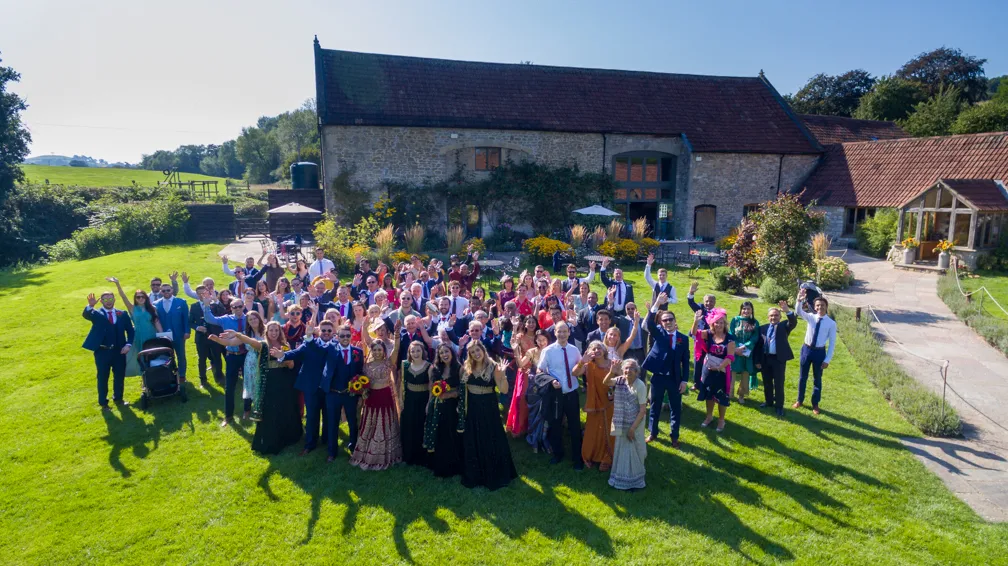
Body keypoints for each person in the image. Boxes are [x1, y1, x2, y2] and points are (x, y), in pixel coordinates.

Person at [273, 320, 337, 457]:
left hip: (328, 388)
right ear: (318, 331)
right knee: (312, 416)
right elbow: (296, 353)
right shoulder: (308, 343)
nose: (326, 333)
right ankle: (310, 444)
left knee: (328, 416)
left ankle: (326, 441)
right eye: (323, 330)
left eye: (329, 331)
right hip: (311, 387)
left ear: (333, 332)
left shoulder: (336, 345)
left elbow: (325, 352)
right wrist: (282, 355)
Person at [459, 341, 517, 489]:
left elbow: (504, 390)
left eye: (477, 350)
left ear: (483, 350)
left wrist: (502, 375)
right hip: (472, 407)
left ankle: (494, 473)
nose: (476, 354)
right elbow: (462, 389)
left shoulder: (493, 367)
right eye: (472, 352)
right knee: (474, 437)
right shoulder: (466, 367)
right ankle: (475, 473)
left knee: (490, 437)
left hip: (488, 407)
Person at [349, 330, 403, 470]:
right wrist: (363, 391)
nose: (378, 352)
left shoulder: (388, 362)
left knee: (386, 424)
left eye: (380, 350)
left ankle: (387, 455)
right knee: (370, 424)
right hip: (371, 398)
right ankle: (368, 453)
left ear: (384, 351)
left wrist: (397, 335)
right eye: (375, 350)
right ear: (371, 351)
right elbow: (363, 382)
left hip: (385, 397)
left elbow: (396, 348)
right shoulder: (366, 366)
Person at [643, 294, 691, 447]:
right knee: (655, 406)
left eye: (671, 319)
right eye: (665, 320)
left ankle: (674, 436)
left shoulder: (683, 339)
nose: (668, 322)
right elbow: (649, 323)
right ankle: (653, 432)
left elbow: (685, 361)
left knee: (675, 408)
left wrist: (684, 381)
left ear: (675, 321)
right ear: (661, 323)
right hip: (658, 377)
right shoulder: (658, 333)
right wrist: (656, 303)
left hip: (675, 378)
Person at [537, 322, 584, 469]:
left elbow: (580, 368)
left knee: (575, 426)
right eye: (559, 331)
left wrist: (583, 368)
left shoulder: (574, 350)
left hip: (571, 394)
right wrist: (551, 381)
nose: (562, 334)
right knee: (555, 425)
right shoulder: (548, 351)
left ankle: (577, 457)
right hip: (556, 394)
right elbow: (539, 371)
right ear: (555, 333)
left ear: (569, 333)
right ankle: (558, 454)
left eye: (565, 331)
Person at [82, 291, 135, 410]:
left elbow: (131, 331)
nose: (108, 301)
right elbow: (86, 315)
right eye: (105, 299)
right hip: (102, 352)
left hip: (120, 351)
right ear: (101, 301)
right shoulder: (96, 314)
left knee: (119, 376)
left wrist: (128, 345)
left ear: (114, 299)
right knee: (102, 377)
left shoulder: (122, 314)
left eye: (111, 299)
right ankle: (103, 403)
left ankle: (118, 399)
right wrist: (90, 306)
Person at [202, 297, 250, 427]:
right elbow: (210, 319)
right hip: (232, 356)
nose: (237, 309)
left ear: (243, 306)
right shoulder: (225, 319)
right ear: (231, 308)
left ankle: (247, 410)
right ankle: (228, 416)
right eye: (234, 307)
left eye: (240, 306)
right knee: (230, 387)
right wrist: (206, 306)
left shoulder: (249, 319)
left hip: (246, 355)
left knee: (247, 384)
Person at [603, 358, 648, 491]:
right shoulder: (621, 380)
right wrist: (612, 371)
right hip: (622, 421)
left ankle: (636, 480)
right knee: (622, 449)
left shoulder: (640, 386)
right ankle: (621, 476)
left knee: (635, 450)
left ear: (636, 371)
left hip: (636, 423)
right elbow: (606, 382)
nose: (628, 371)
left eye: (631, 369)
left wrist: (632, 429)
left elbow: (642, 410)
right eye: (626, 368)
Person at [107, 277, 162, 377]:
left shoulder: (152, 308)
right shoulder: (132, 308)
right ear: (135, 299)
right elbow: (123, 297)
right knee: (141, 358)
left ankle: (155, 377)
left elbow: (157, 323)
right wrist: (118, 284)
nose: (140, 298)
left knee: (153, 357)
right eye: (138, 297)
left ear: (146, 298)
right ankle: (145, 380)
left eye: (142, 297)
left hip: (151, 335)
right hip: (138, 336)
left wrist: (163, 336)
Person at [794, 290, 837, 415]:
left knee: (817, 379)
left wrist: (827, 360)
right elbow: (798, 311)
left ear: (826, 307)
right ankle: (799, 400)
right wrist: (799, 300)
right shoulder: (811, 317)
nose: (819, 307)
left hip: (819, 353)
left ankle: (815, 404)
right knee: (803, 377)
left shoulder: (831, 323)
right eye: (817, 305)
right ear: (814, 306)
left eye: (822, 305)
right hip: (806, 350)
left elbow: (832, 343)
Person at [692, 307, 735, 432]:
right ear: (713, 323)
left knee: (721, 396)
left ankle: (721, 420)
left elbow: (730, 357)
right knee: (709, 394)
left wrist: (719, 367)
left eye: (722, 322)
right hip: (708, 369)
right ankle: (709, 416)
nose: (719, 325)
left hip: (722, 371)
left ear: (725, 324)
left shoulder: (730, 338)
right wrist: (695, 321)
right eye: (717, 322)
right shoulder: (709, 334)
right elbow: (695, 333)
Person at [574, 340, 615, 472]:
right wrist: (582, 361)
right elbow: (575, 373)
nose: (596, 351)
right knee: (593, 430)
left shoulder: (612, 364)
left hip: (611, 402)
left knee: (610, 431)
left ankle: (607, 458)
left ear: (604, 350)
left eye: (599, 348)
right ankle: (590, 455)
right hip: (595, 403)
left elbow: (624, 379)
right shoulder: (588, 365)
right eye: (593, 349)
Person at [424, 343, 464, 477]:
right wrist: (429, 403)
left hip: (453, 406)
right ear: (439, 356)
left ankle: (453, 465)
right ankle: (437, 463)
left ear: (452, 353)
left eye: (446, 352)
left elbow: (462, 390)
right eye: (441, 353)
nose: (444, 355)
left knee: (451, 433)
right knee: (438, 432)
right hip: (437, 405)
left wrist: (450, 394)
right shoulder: (434, 369)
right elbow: (431, 387)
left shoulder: (459, 368)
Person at [756, 301, 797, 417]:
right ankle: (768, 401)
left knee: (778, 383)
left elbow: (793, 322)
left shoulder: (784, 326)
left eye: (776, 315)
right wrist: (758, 361)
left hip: (779, 359)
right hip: (765, 358)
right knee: (767, 381)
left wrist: (787, 311)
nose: (774, 317)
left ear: (780, 317)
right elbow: (759, 346)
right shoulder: (762, 328)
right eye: (771, 315)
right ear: (768, 317)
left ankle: (779, 406)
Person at [508, 328, 549, 438]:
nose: (541, 342)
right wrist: (516, 350)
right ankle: (535, 435)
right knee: (535, 410)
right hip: (536, 384)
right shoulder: (532, 352)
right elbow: (521, 364)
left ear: (548, 340)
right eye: (539, 340)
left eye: (543, 339)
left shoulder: (552, 350)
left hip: (550, 383)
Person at [400, 341, 430, 466]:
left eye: (418, 350)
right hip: (409, 400)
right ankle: (408, 456)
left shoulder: (429, 366)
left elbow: (431, 387)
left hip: (423, 399)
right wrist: (401, 400)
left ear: (422, 351)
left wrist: (429, 403)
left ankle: (421, 457)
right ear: (409, 353)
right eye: (413, 351)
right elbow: (402, 383)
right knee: (408, 426)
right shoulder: (405, 365)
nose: (416, 353)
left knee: (421, 426)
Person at [154, 282, 190, 382]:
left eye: (168, 290)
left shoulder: (181, 302)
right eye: (163, 290)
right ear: (161, 291)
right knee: (165, 356)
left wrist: (187, 331)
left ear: (172, 290)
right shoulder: (156, 304)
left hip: (178, 334)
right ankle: (169, 375)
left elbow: (186, 318)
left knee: (181, 355)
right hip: (163, 335)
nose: (166, 292)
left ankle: (182, 375)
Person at [728, 301, 760, 405]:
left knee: (745, 374)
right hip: (735, 351)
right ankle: (729, 393)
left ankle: (741, 395)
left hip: (747, 353)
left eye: (748, 309)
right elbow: (731, 334)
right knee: (731, 372)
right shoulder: (735, 320)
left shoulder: (755, 322)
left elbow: (755, 337)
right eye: (744, 308)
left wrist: (745, 346)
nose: (746, 311)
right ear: (741, 309)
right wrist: (737, 347)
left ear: (752, 310)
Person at [686, 281, 716, 390]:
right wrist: (691, 292)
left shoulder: (717, 313)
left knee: (709, 361)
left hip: (711, 341)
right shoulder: (701, 309)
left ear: (715, 303)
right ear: (704, 302)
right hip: (698, 340)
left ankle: (707, 383)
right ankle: (696, 384)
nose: (709, 303)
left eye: (711, 301)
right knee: (698, 361)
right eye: (707, 301)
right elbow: (691, 302)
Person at [188, 285, 213, 388]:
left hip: (214, 335)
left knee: (216, 356)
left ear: (207, 292)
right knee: (201, 359)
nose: (202, 295)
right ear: (197, 295)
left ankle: (219, 376)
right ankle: (203, 379)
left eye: (203, 293)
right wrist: (197, 327)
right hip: (201, 337)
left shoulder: (213, 303)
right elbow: (190, 322)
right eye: (199, 293)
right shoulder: (194, 306)